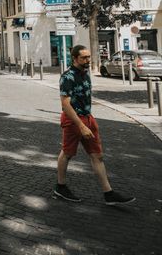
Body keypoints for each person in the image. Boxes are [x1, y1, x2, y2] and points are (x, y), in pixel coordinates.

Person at [53, 45, 135, 206]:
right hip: (73, 120)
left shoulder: (85, 74)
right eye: (84, 58)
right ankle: (60, 186)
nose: (87, 60)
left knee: (97, 155)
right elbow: (65, 105)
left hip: (88, 118)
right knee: (67, 153)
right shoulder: (67, 77)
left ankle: (108, 193)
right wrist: (81, 126)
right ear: (75, 59)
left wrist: (88, 118)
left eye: (89, 57)